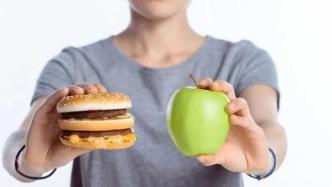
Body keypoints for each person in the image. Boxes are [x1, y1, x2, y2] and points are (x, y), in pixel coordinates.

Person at [2, 0, 287, 186]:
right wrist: (30, 160)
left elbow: (268, 127)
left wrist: (264, 157)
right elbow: (20, 141)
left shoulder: (243, 60)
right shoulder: (74, 65)